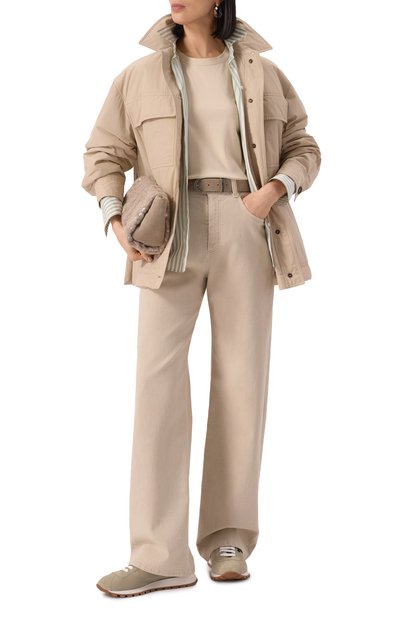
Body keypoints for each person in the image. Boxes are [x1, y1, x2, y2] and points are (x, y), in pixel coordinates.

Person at [81, 0, 321, 599]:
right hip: (167, 232)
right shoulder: (138, 76)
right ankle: (158, 555)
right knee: (156, 384)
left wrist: (273, 191)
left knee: (242, 379)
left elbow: (304, 145)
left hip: (247, 222)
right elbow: (104, 153)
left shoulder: (263, 71)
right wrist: (115, 216)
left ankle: (228, 538)